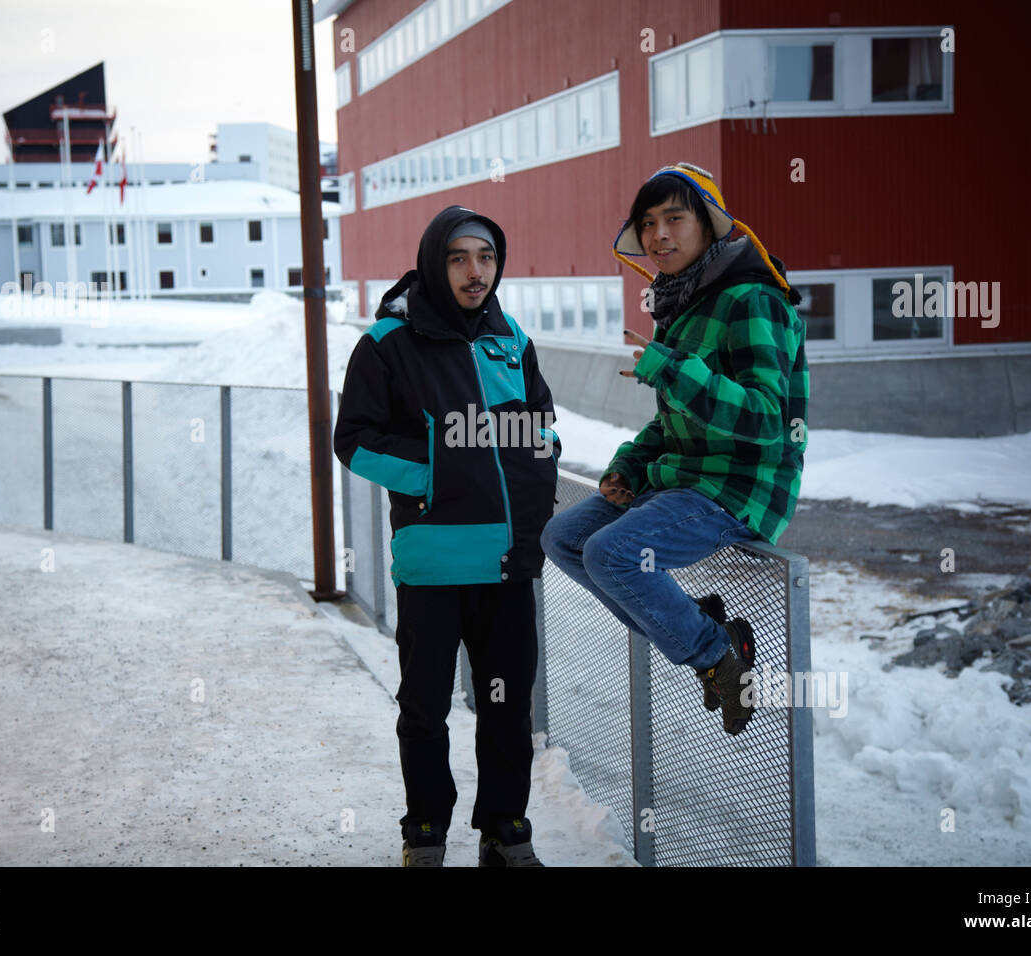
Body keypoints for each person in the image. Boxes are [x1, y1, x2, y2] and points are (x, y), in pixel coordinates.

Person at [540, 162, 809, 736]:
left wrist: (674, 370)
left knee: (611, 553)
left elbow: (767, 418)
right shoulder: (683, 306)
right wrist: (630, 466)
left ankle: (715, 655)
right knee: (564, 538)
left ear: (709, 226)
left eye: (674, 218)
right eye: (647, 223)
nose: (658, 234)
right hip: (685, 477)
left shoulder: (750, 301)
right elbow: (675, 424)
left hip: (738, 486)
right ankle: (709, 633)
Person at [333, 205, 560, 867]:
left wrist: (539, 458)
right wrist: (437, 470)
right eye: (460, 257)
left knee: (508, 708)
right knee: (426, 708)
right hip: (435, 561)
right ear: (436, 261)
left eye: (486, 257)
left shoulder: (510, 340)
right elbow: (355, 441)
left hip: (508, 561)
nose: (474, 271)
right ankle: (425, 835)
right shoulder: (387, 344)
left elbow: (539, 425)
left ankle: (505, 832)